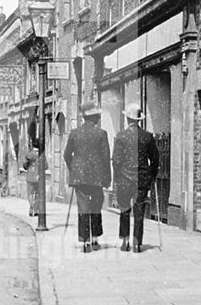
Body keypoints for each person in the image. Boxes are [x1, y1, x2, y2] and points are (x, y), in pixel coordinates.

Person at [63, 102, 111, 253]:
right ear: (95, 117)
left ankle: (85, 241)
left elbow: (66, 155)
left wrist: (74, 169)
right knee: (96, 207)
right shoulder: (101, 133)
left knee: (83, 208)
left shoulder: (74, 133)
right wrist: (107, 178)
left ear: (84, 117)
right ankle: (95, 238)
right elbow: (105, 157)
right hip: (97, 178)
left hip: (80, 178)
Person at [112, 104, 160, 253]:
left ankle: (125, 241)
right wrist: (151, 176)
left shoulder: (121, 136)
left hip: (125, 180)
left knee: (124, 210)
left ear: (127, 118)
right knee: (139, 212)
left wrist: (118, 176)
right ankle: (137, 243)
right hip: (142, 180)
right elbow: (155, 159)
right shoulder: (147, 137)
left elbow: (116, 160)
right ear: (139, 120)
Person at [21, 145, 46, 217]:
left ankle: (31, 206)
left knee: (30, 194)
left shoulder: (28, 155)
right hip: (39, 178)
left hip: (30, 177)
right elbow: (46, 166)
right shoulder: (42, 155)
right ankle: (36, 210)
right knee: (38, 194)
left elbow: (25, 166)